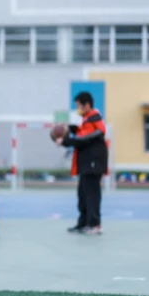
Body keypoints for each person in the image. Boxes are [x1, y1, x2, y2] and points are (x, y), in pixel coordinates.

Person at [55, 92, 107, 235]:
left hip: (93, 163)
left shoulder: (94, 120)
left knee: (92, 195)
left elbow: (83, 139)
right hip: (87, 164)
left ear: (87, 105)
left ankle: (95, 224)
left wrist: (64, 141)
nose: (77, 108)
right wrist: (69, 127)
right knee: (83, 195)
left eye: (78, 105)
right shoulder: (87, 120)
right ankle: (83, 223)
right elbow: (81, 132)